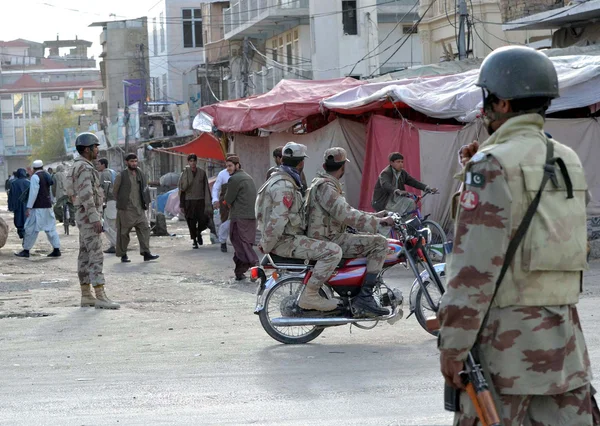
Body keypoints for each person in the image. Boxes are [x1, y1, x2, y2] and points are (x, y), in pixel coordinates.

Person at [438, 46, 598, 424]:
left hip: (505, 356)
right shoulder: (567, 159)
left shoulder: (490, 166)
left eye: (487, 100)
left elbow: (473, 271)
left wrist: (453, 347)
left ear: (504, 104)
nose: (484, 110)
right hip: (565, 351)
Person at [306, 148, 395, 317]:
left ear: (325, 165)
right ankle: (365, 297)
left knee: (369, 238)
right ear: (342, 168)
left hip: (328, 235)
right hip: (331, 238)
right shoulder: (327, 187)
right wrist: (379, 222)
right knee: (380, 243)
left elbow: (346, 210)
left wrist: (374, 215)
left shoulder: (323, 183)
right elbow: (346, 214)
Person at [256, 142, 342, 312]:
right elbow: (278, 220)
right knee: (334, 251)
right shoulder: (285, 185)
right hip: (286, 241)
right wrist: (267, 245)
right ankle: (310, 295)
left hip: (288, 237)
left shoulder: (282, 179)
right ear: (301, 162)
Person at [71, 133, 119, 309]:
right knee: (96, 255)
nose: (97, 150)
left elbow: (72, 193)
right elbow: (86, 195)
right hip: (89, 218)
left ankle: (86, 295)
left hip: (82, 217)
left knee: (84, 255)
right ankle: (100, 295)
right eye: (95, 147)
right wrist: (95, 218)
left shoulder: (76, 166)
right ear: (86, 149)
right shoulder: (85, 168)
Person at [113, 153, 159, 263]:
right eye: (131, 161)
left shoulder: (140, 174)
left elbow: (145, 188)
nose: (134, 163)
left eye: (135, 161)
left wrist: (146, 202)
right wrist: (122, 203)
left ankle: (146, 253)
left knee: (145, 229)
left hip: (139, 208)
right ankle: (123, 254)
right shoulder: (121, 175)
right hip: (126, 210)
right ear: (126, 162)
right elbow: (115, 192)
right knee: (124, 233)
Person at [15, 160, 60, 258]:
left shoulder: (35, 177)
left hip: (37, 208)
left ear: (34, 168)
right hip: (48, 206)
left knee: (30, 229)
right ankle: (57, 249)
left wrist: (29, 207)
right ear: (42, 166)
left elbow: (33, 193)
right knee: (50, 228)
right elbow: (50, 191)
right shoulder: (47, 175)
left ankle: (26, 250)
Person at [223, 155, 258, 280]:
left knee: (242, 245)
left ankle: (256, 267)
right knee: (242, 244)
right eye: (227, 166)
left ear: (237, 165)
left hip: (239, 217)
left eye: (230, 166)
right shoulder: (248, 177)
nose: (228, 169)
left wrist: (226, 204)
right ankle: (239, 272)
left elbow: (228, 199)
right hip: (250, 217)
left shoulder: (234, 179)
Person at [371, 152, 437, 213]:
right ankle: (400, 224)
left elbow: (413, 182)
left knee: (411, 204)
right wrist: (397, 191)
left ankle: (403, 225)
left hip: (396, 199)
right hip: (384, 201)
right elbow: (386, 185)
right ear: (391, 163)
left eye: (402, 162)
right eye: (398, 162)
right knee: (408, 204)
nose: (401, 164)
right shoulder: (385, 173)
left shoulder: (402, 173)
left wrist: (427, 188)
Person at [178, 153, 212, 249]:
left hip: (200, 200)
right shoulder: (184, 174)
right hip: (189, 201)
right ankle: (194, 240)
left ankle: (198, 232)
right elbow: (181, 190)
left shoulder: (202, 173)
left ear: (197, 162)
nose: (193, 163)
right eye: (191, 161)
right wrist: (182, 204)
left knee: (203, 220)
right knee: (191, 222)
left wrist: (208, 201)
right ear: (188, 162)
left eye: (194, 161)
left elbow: (205, 188)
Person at [97, 158, 117, 254]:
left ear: (103, 165)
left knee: (108, 225)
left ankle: (116, 243)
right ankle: (114, 244)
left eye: (99, 164)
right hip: (114, 200)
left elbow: (106, 189)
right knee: (113, 224)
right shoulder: (112, 172)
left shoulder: (104, 174)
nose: (97, 166)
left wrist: (103, 200)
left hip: (110, 201)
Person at [212, 165, 231, 253]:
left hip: (237, 202)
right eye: (228, 165)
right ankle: (223, 241)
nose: (229, 167)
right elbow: (216, 188)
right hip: (224, 203)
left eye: (231, 165)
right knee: (225, 222)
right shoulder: (222, 174)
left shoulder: (240, 175)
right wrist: (215, 200)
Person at [7, 168, 30, 239]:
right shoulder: (29, 183)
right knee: (27, 218)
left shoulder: (13, 183)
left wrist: (10, 206)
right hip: (27, 204)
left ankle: (20, 231)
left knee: (18, 217)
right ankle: (26, 232)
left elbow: (11, 196)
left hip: (17, 204)